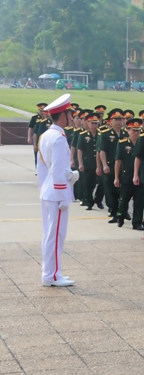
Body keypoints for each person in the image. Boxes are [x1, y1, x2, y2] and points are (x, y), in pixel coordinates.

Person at [36, 94, 79, 287]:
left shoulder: (46, 135)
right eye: (70, 113)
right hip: (57, 194)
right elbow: (59, 170)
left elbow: (42, 169)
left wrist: (46, 188)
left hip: (48, 191)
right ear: (63, 116)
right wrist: (64, 195)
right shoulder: (60, 138)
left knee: (50, 234)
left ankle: (52, 273)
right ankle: (51, 275)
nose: (72, 117)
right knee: (56, 236)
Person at [114, 119, 144, 229]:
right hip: (126, 176)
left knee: (140, 201)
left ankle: (137, 222)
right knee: (124, 199)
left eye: (138, 130)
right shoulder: (122, 143)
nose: (136, 133)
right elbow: (118, 161)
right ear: (128, 130)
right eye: (133, 130)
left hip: (141, 177)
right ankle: (120, 216)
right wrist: (116, 177)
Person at [97, 109, 128, 223]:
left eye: (120, 119)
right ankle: (114, 212)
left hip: (124, 167)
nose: (119, 122)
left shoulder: (126, 134)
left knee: (123, 191)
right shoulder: (105, 134)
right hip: (110, 166)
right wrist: (103, 165)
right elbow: (102, 151)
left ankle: (123, 211)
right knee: (111, 192)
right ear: (111, 121)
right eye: (116, 119)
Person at [28, 103, 46, 167]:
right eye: (41, 111)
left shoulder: (49, 119)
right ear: (38, 110)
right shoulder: (35, 118)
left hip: (45, 139)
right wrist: (29, 137)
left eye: (44, 111)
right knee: (37, 154)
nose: (42, 112)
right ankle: (37, 168)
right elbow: (31, 128)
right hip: (37, 138)